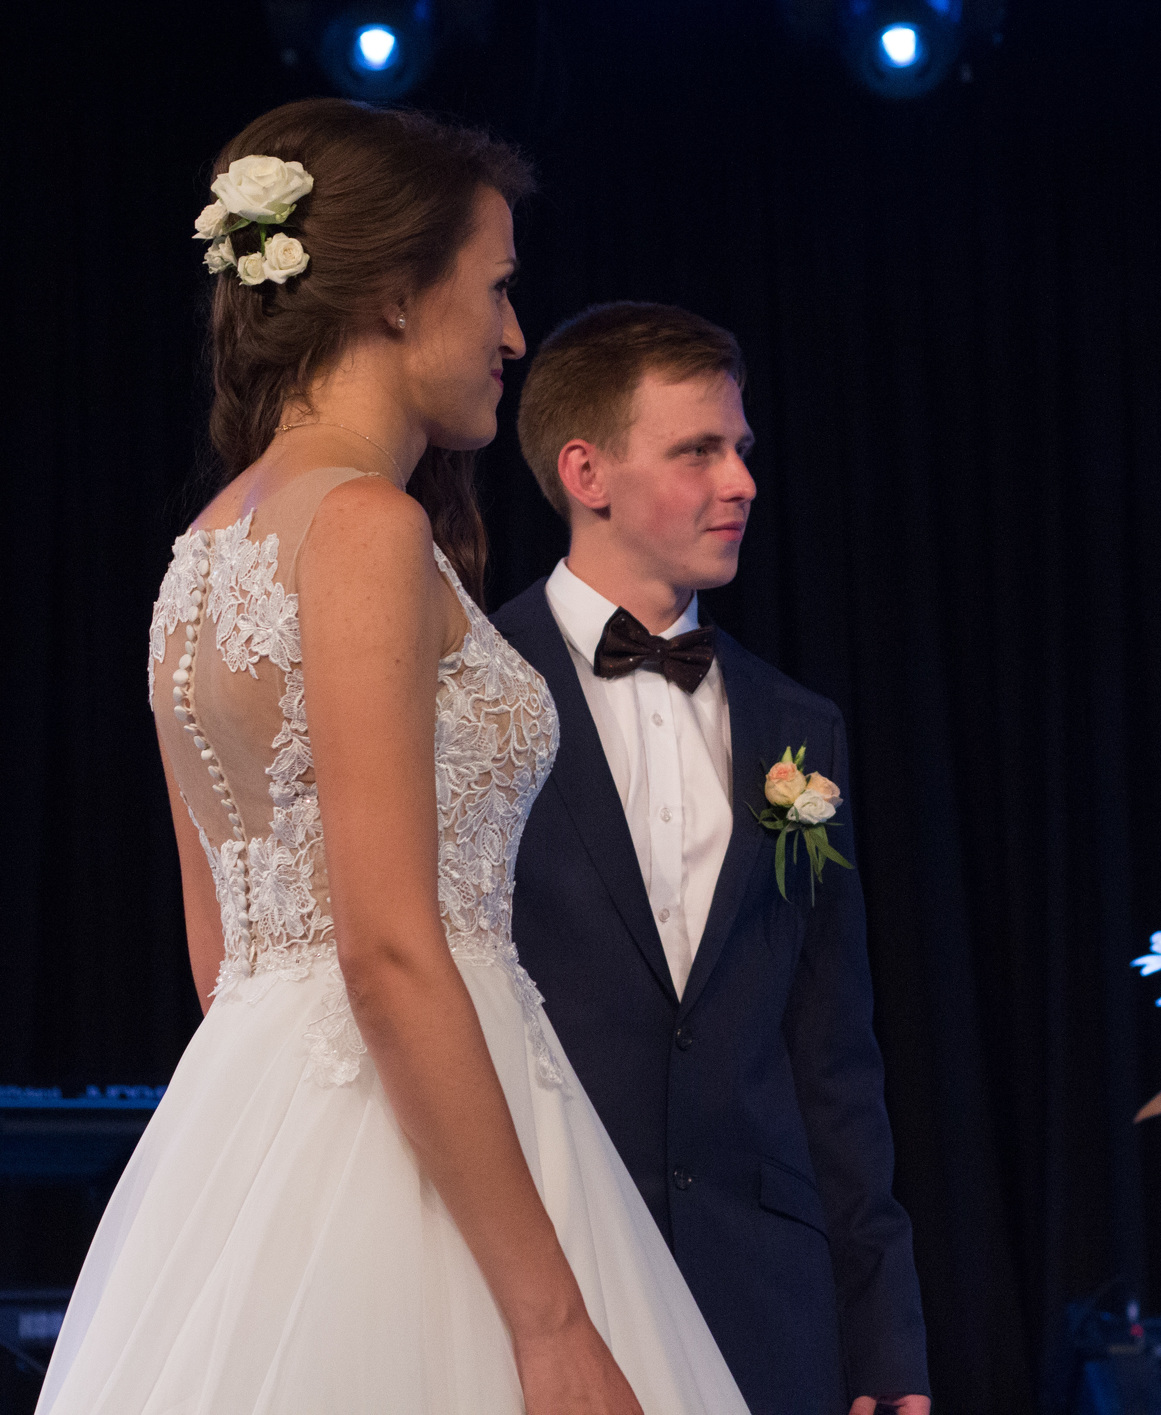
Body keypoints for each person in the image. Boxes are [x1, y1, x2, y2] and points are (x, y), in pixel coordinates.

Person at [41, 100, 747, 1414]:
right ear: (393, 294)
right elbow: (385, 943)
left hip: (264, 1135)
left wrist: (297, 1165)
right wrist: (548, 1319)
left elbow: (226, 955)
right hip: (425, 1126)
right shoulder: (363, 526)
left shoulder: (202, 554)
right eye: (497, 288)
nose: (514, 336)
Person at [494, 302, 929, 1415]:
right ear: (586, 471)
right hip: (549, 1280)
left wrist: (884, 1340)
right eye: (698, 450)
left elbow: (833, 1055)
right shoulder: (471, 689)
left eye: (740, 448)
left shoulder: (798, 725)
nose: (740, 481)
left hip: (764, 1301)